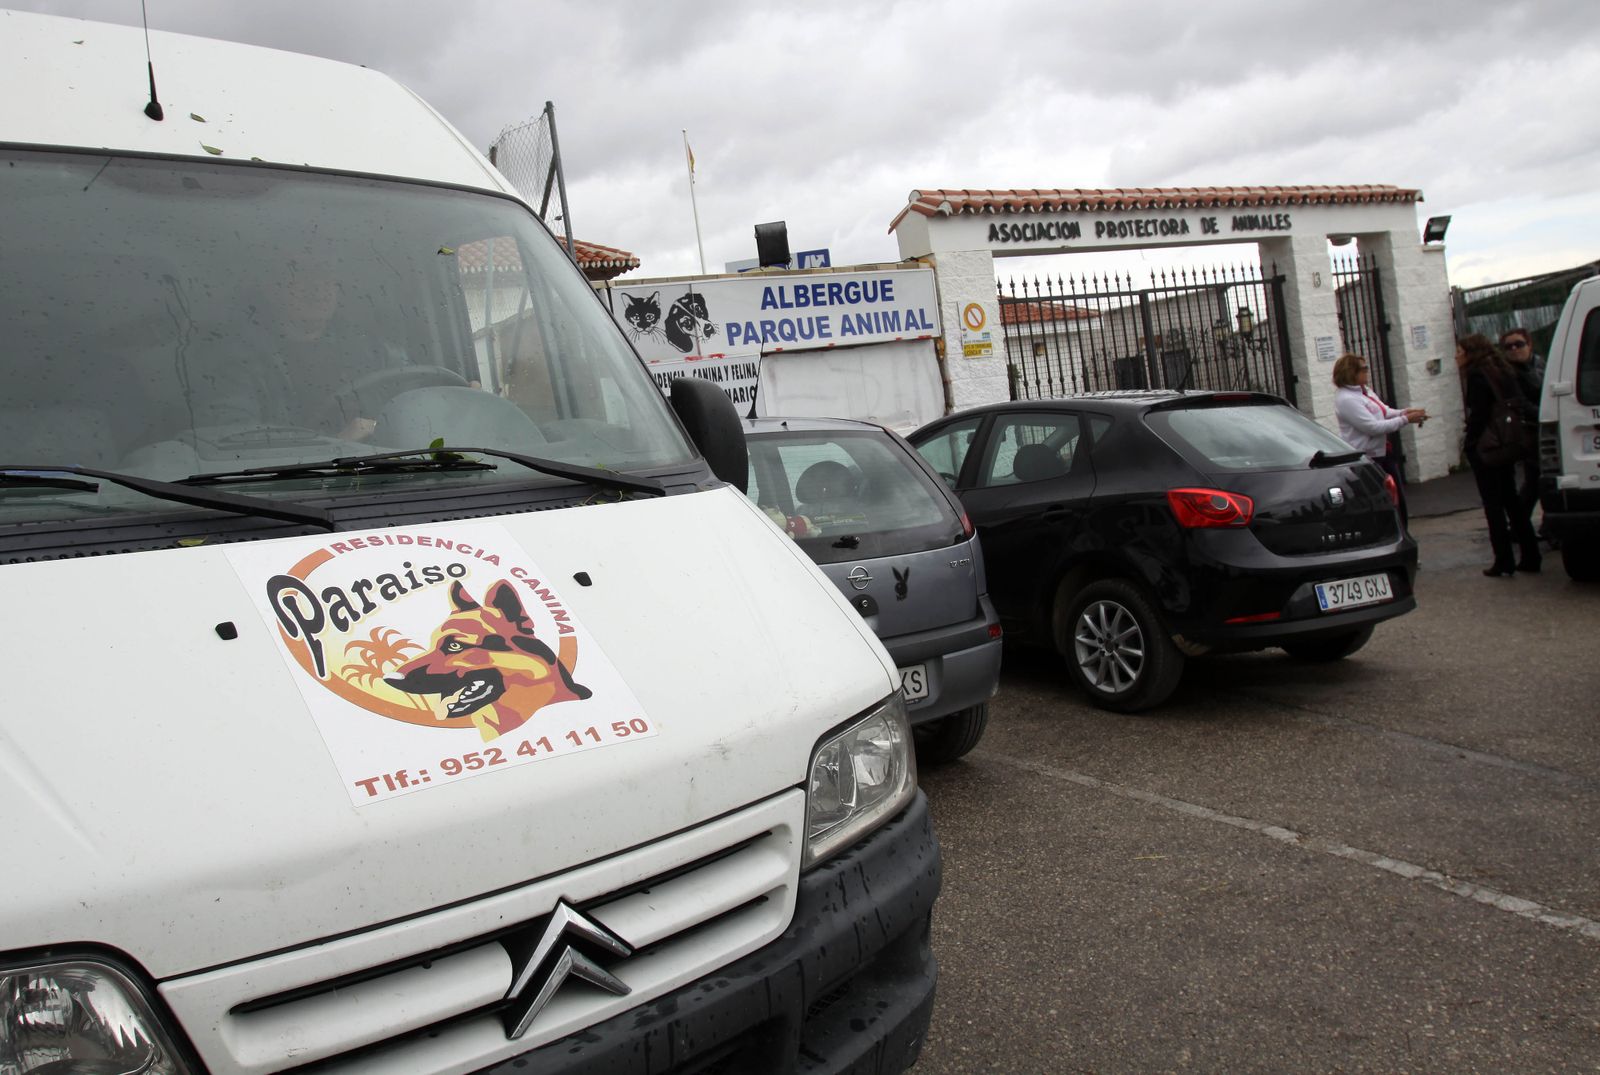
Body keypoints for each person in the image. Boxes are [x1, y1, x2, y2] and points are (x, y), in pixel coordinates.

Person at [1457, 333, 1539, 576]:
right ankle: (1530, 555)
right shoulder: (1501, 369)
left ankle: (1503, 560)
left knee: (1493, 504)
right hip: (1508, 441)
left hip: (1489, 445)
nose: (1456, 356)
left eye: (1460, 352)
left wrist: (1470, 442)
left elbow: (1480, 414)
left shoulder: (1477, 375)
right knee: (1511, 499)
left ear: (1471, 353)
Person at [1331, 352, 1426, 526]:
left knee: (1398, 500)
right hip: (1368, 457)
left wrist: (1405, 412)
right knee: (1381, 502)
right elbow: (1372, 427)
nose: (1367, 371)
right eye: (1363, 368)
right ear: (1351, 372)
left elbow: (1384, 411)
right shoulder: (1346, 398)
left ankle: (1401, 531)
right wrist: (1406, 420)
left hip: (1384, 453)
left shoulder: (1364, 391)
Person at [1499, 326, 1549, 546]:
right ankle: (1520, 525)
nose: (1514, 349)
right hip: (1529, 431)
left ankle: (1540, 525)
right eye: (1508, 346)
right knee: (1535, 481)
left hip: (1548, 428)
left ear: (1529, 345)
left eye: (1518, 344)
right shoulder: (1510, 374)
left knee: (1544, 481)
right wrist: (1545, 414)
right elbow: (1520, 403)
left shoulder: (1542, 365)